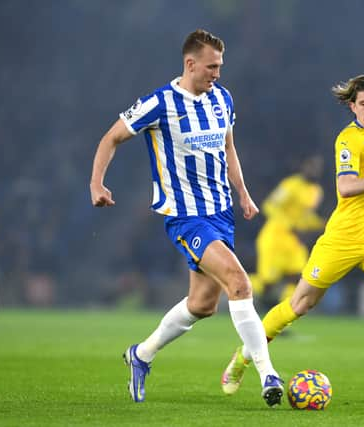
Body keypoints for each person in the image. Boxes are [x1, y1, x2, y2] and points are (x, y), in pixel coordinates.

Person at [89, 29, 284, 406]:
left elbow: (229, 148)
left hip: (221, 213)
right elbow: (110, 138)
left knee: (202, 305)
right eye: (212, 66)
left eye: (221, 67)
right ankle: (268, 375)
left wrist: (242, 193)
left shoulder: (222, 99)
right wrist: (97, 183)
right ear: (190, 63)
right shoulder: (159, 103)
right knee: (239, 283)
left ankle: (141, 354)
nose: (218, 74)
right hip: (185, 218)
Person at [221, 74, 364, 395]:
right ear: (352, 106)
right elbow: (345, 187)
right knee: (299, 305)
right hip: (342, 239)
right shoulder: (348, 140)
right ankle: (243, 357)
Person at [249, 155, 325, 308]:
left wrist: (321, 224)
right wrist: (288, 224)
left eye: (317, 168)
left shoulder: (316, 191)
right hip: (275, 238)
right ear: (303, 168)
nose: (313, 171)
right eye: (311, 167)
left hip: (293, 241)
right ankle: (237, 283)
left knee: (299, 277)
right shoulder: (290, 185)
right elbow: (269, 205)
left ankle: (283, 314)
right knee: (267, 284)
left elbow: (305, 217)